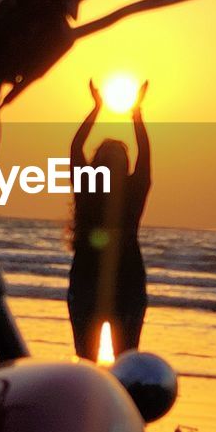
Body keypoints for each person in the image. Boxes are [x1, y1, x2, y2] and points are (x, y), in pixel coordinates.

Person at [67, 79, 151, 360]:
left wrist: (134, 114)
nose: (115, 161)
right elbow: (76, 147)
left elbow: (145, 156)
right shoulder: (88, 191)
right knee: (87, 361)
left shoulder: (131, 194)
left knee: (124, 359)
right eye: (110, 157)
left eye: (119, 156)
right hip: (90, 284)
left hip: (124, 286)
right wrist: (99, 109)